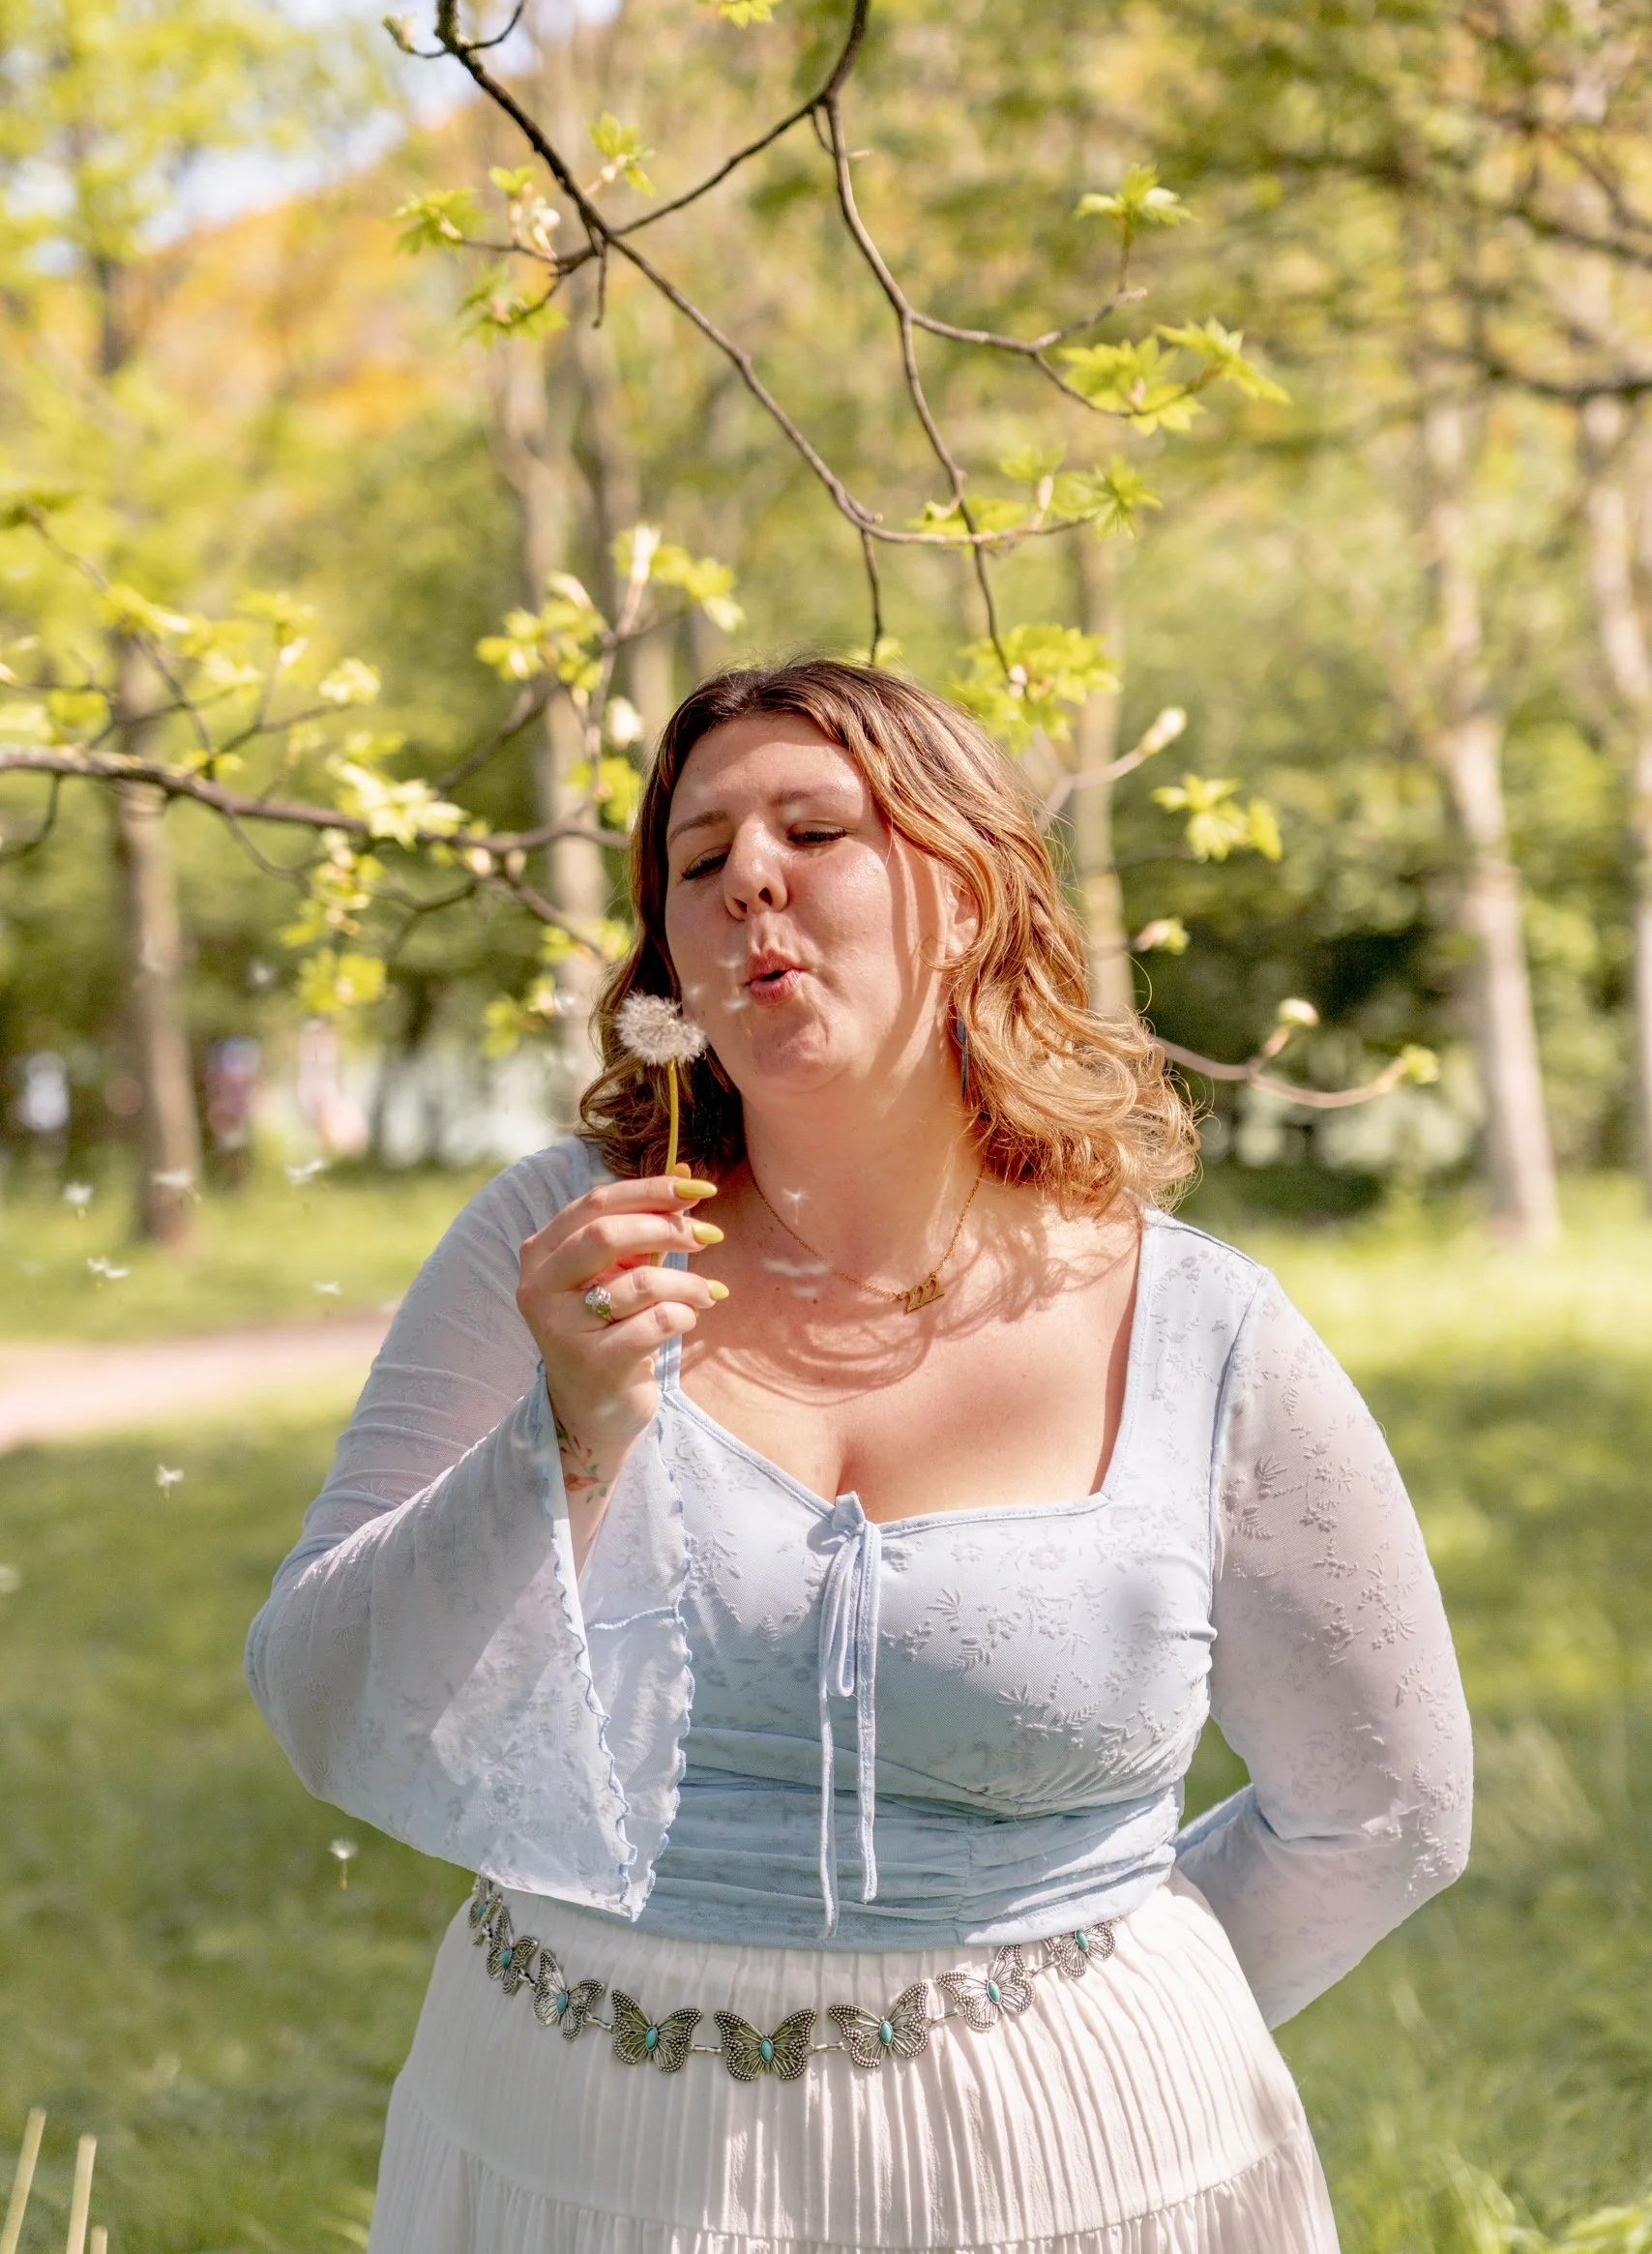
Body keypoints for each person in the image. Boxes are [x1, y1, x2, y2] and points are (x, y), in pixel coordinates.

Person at [248, 659, 1472, 2254]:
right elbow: (328, 1697)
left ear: (965, 896)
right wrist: (563, 1438)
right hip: (574, 2158)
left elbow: (1389, 1810)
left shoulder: (1197, 1330)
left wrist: (1077, 2023)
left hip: (1086, 2175)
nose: (748, 874)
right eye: (698, 860)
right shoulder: (561, 1252)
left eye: (815, 828)